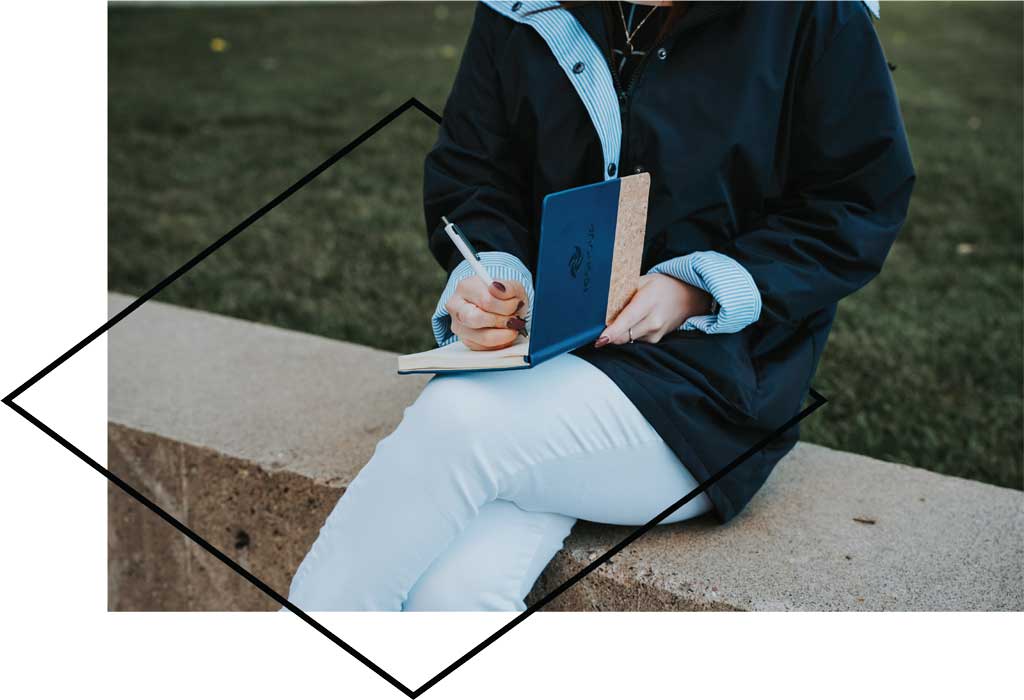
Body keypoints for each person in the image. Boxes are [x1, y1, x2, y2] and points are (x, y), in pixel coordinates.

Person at [286, 0, 914, 611]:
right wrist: (493, 277)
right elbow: (473, 170)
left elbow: (856, 204)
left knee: (455, 421)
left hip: (713, 386)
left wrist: (699, 287)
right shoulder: (518, 7)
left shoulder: (816, 14)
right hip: (549, 356)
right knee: (454, 595)